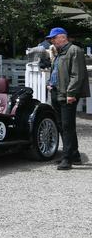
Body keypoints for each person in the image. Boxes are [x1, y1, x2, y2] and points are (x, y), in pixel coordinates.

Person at [46, 27, 90, 170]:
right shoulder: (59, 52)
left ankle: (67, 159)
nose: (51, 41)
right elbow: (56, 72)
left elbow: (76, 75)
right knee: (62, 125)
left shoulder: (74, 50)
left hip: (67, 95)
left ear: (62, 37)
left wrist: (71, 93)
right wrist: (50, 83)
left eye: (53, 38)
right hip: (57, 92)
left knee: (67, 126)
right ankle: (75, 155)